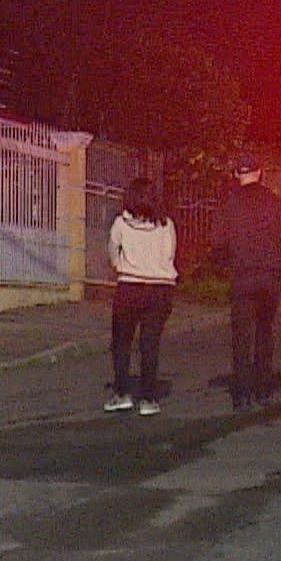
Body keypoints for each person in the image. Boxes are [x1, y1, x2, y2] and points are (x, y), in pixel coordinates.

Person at [214, 158, 281, 411]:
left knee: (241, 336)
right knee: (264, 332)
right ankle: (263, 389)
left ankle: (242, 394)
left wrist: (225, 264)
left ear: (237, 174)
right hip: (269, 276)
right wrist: (280, 266)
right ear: (260, 173)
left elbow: (218, 243)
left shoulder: (230, 204)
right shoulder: (276, 203)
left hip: (242, 275)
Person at [105, 176, 177, 416]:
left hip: (130, 286)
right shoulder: (166, 225)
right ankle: (148, 399)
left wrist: (120, 266)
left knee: (122, 342)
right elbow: (169, 254)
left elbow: (113, 250)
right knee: (150, 343)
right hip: (161, 288)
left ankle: (122, 394)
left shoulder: (121, 223)